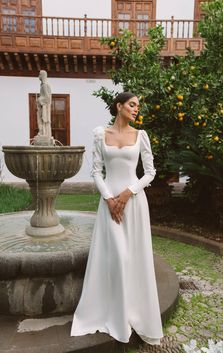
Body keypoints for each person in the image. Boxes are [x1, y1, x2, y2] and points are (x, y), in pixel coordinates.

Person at [71, 92, 164, 345]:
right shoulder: (101, 135)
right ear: (119, 106)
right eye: (132, 105)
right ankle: (114, 315)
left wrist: (127, 193)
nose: (136, 109)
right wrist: (110, 198)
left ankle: (132, 312)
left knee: (132, 258)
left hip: (133, 205)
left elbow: (150, 172)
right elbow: (96, 171)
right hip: (109, 205)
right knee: (118, 258)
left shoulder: (140, 135)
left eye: (138, 106)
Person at [36, 70, 52, 138]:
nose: (38, 76)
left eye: (39, 75)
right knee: (40, 120)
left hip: (44, 107)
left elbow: (47, 97)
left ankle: (43, 133)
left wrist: (39, 99)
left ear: (42, 76)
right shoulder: (43, 85)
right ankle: (42, 133)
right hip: (42, 107)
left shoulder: (44, 85)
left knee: (41, 119)